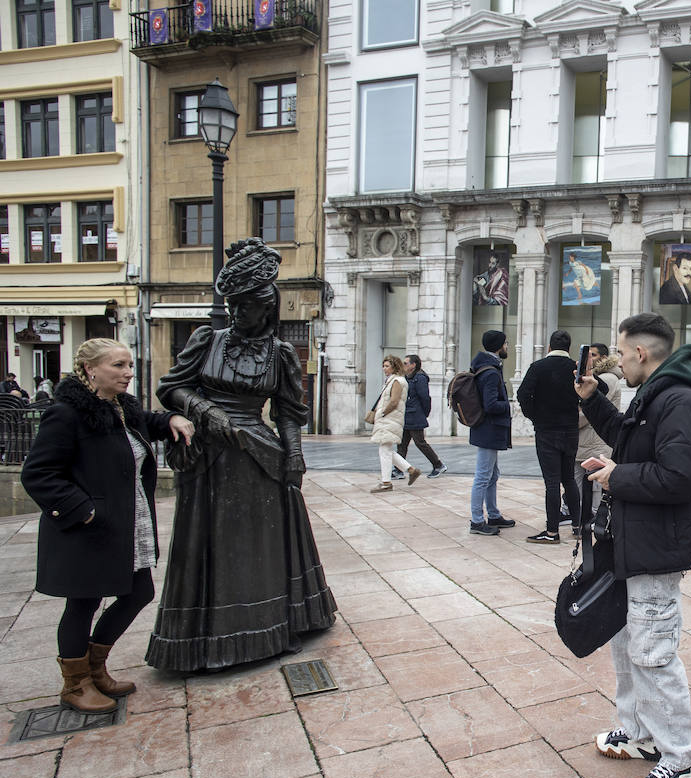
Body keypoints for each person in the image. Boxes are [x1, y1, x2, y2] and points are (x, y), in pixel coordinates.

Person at [146, 238, 337, 671]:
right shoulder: (205, 341)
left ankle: (270, 625)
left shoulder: (281, 354)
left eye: (246, 306)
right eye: (232, 305)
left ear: (266, 308)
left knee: (262, 546)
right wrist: (206, 410)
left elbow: (289, 413)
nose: (236, 313)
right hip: (210, 458)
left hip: (258, 457)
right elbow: (170, 387)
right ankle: (202, 637)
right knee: (209, 545)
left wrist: (294, 458)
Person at [576, 312, 691, 778]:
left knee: (652, 651)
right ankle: (639, 733)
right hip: (635, 540)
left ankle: (683, 759)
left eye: (620, 351)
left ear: (640, 353)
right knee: (625, 641)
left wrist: (617, 478)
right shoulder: (655, 392)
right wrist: (592, 399)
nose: (615, 359)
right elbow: (630, 443)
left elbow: (683, 476)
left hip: (658, 545)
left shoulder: (679, 400)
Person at [22, 339, 195, 712]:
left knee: (139, 593)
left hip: (124, 524)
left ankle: (95, 668)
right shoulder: (67, 414)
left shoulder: (120, 408)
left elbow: (148, 423)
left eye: (129, 365)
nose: (128, 373)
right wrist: (84, 511)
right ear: (90, 370)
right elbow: (38, 474)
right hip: (87, 529)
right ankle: (75, 684)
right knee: (83, 603)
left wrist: (170, 419)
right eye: (118, 366)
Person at [517, 330, 580, 544]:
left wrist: (534, 415)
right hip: (571, 429)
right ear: (569, 348)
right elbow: (602, 387)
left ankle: (552, 532)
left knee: (552, 482)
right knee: (569, 479)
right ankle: (578, 526)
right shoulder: (575, 368)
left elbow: (522, 394)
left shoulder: (538, 367)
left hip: (546, 430)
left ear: (549, 347)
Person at [468, 330, 515, 536]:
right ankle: (477, 520)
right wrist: (508, 405)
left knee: (492, 474)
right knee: (483, 476)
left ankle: (493, 514)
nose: (507, 346)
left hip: (488, 430)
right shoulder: (490, 372)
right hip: (488, 429)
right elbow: (490, 405)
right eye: (505, 343)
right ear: (498, 346)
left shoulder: (489, 367)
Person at [575, 343, 622, 495]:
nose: (590, 359)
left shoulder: (607, 379)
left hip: (594, 442)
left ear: (603, 358)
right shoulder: (601, 377)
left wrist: (570, 422)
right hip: (591, 441)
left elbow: (592, 411)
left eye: (593, 355)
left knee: (593, 491)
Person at [369, 355, 420, 493]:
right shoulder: (392, 380)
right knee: (386, 450)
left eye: (387, 366)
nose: (384, 368)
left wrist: (383, 413)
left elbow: (394, 401)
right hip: (389, 419)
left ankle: (386, 482)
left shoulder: (397, 381)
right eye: (383, 366)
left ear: (394, 367)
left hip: (390, 419)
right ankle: (411, 470)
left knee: (384, 449)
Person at [394, 354, 447, 479]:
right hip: (406, 415)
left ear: (414, 365)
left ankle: (438, 465)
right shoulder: (406, 377)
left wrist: (424, 413)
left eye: (406, 363)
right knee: (402, 443)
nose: (404, 365)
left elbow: (425, 398)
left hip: (415, 415)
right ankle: (398, 470)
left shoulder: (420, 378)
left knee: (420, 442)